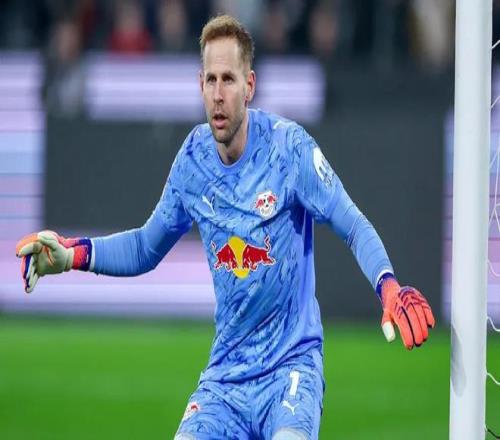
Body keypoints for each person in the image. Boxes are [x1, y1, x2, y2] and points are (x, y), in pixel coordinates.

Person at [16, 15, 435, 440]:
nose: (219, 95)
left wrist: (388, 286)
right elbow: (145, 247)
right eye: (211, 80)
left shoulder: (288, 150)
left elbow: (353, 225)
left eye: (229, 80)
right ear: (200, 85)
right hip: (225, 380)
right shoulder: (193, 161)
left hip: (290, 370)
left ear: (249, 86)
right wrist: (72, 256)